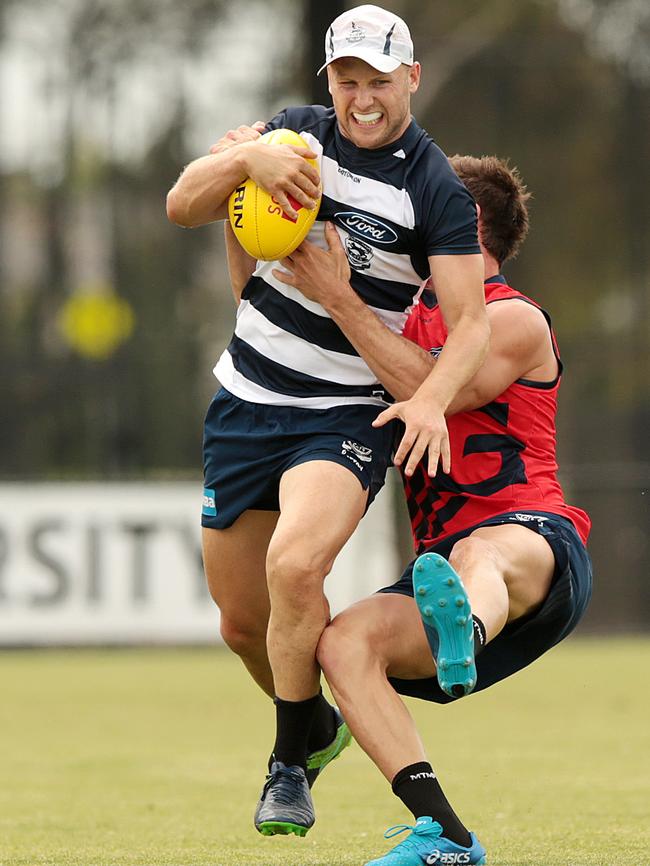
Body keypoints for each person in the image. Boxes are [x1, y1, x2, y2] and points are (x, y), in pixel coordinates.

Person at [166, 4, 489, 838]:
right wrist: (247, 156)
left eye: (378, 81)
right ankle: (313, 725)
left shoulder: (434, 190)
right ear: (329, 83)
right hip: (245, 399)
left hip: (343, 414)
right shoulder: (295, 140)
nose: (362, 98)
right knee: (243, 623)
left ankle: (285, 771)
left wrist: (424, 398)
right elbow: (182, 206)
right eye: (346, 81)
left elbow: (471, 326)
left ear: (410, 78)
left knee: (296, 564)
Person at [279, 154, 591, 865]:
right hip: (441, 566)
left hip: (536, 544)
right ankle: (444, 835)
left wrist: (342, 299)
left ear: (463, 223)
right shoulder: (399, 317)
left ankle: (465, 631)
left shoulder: (512, 319)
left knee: (480, 551)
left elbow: (431, 389)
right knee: (341, 643)